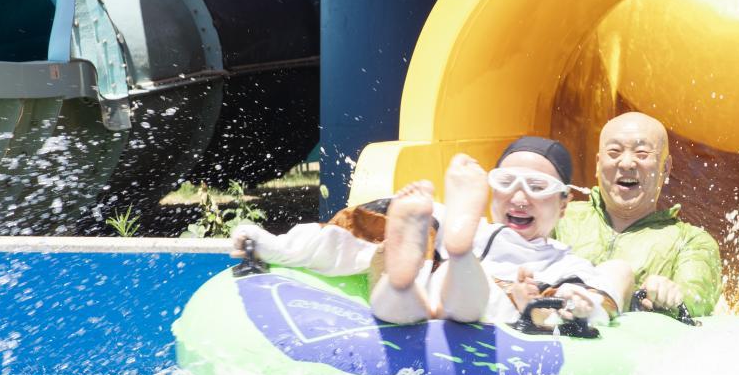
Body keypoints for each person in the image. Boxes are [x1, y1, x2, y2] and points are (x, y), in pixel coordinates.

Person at [232, 137, 634, 331]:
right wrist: (272, 246)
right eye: (506, 182)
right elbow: (350, 233)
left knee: (471, 286)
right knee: (388, 248)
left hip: (490, 307)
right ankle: (416, 274)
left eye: (537, 187)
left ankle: (456, 259)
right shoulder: (437, 218)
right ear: (490, 189)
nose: (519, 197)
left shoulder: (565, 263)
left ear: (563, 204)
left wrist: (570, 306)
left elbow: (593, 301)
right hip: (431, 283)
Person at [555, 112, 723, 317]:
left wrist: (671, 297)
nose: (626, 163)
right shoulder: (559, 217)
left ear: (666, 168)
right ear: (598, 164)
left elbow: (698, 301)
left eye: (642, 153)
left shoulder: (691, 241)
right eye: (614, 152)